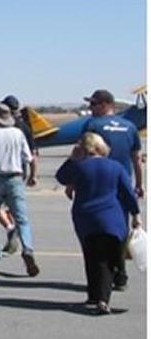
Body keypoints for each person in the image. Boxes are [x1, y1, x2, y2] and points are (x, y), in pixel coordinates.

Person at [55, 132, 142, 315]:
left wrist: (72, 158)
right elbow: (127, 193)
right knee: (106, 260)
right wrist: (135, 214)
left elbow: (61, 177)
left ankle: (93, 294)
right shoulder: (116, 167)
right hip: (111, 218)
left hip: (84, 217)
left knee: (91, 256)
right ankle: (103, 299)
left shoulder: (78, 167)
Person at [77, 88, 144, 291]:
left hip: (97, 184)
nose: (90, 108)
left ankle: (102, 277)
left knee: (94, 234)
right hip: (122, 184)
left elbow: (82, 153)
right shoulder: (130, 126)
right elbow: (137, 158)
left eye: (94, 104)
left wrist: (73, 183)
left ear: (106, 104)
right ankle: (120, 272)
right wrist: (139, 184)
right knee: (119, 231)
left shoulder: (93, 125)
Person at [0, 102, 40, 276]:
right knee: (22, 219)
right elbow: (27, 156)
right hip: (15, 177)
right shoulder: (18, 133)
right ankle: (28, 249)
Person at [0, 94, 38, 254]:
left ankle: (10, 228)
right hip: (20, 172)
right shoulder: (24, 127)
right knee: (13, 206)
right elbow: (33, 154)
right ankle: (24, 244)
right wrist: (34, 174)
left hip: (0, 171)